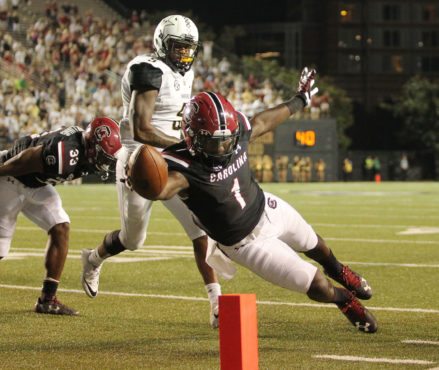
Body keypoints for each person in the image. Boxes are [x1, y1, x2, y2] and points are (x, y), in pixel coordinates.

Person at [135, 68, 378, 333]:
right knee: (317, 285)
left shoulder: (234, 131)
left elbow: (263, 122)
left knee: (316, 244)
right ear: (193, 138)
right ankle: (343, 299)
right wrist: (141, 179)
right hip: (245, 243)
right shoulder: (182, 167)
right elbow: (161, 189)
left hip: (266, 208)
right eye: (214, 143)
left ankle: (341, 271)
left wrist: (300, 100)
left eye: (226, 140)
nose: (223, 148)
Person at [80, 15, 222, 328]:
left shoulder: (185, 72)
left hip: (171, 159)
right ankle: (93, 258)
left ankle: (216, 304)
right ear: (161, 44)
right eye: (178, 48)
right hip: (139, 161)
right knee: (133, 240)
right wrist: (186, 145)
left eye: (189, 49)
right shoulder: (146, 70)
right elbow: (143, 130)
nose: (184, 55)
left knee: (201, 229)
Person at [0, 117, 122, 315]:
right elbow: (25, 158)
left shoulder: (85, 149)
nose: (104, 163)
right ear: (91, 145)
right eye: (102, 156)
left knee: (60, 225)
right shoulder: (65, 151)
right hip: (10, 177)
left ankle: (47, 300)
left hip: (36, 184)